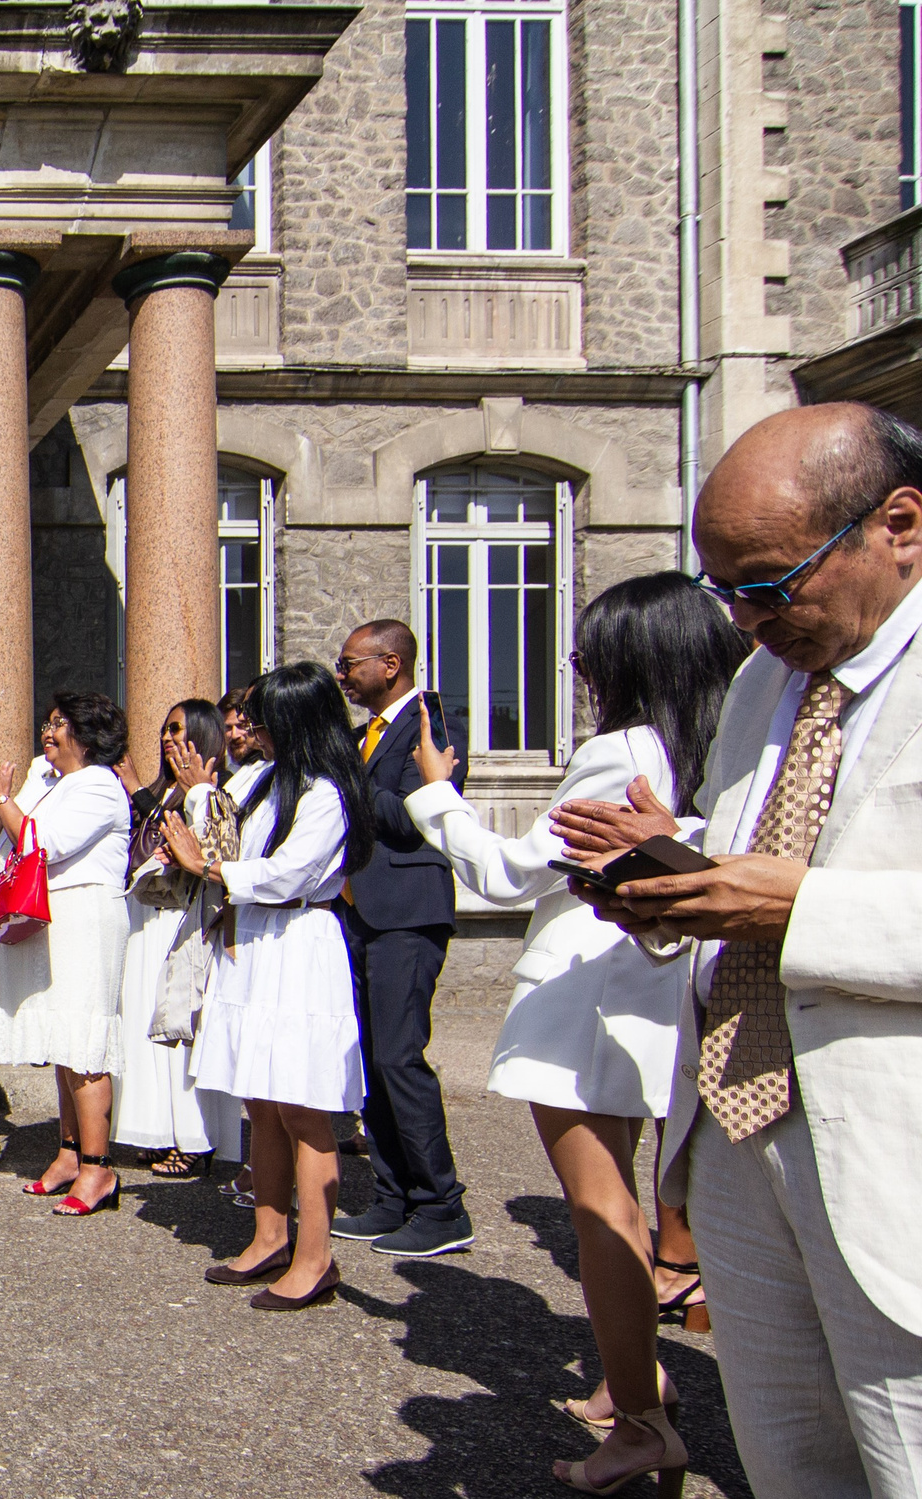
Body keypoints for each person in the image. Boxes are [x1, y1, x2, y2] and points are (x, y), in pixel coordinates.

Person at [563, 403, 922, 1499]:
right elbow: (753, 847)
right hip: (738, 1126)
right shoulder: (772, 676)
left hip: (885, 1150)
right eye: (723, 590)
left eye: (768, 583)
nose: (744, 621)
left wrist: (797, 910)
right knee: (794, 1464)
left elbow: (797, 890)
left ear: (898, 524)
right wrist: (671, 878)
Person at [402, 571, 748, 1490]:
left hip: (588, 990)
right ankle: (629, 1375)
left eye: (589, 651)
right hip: (666, 988)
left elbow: (515, 872)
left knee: (603, 1210)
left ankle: (641, 1420)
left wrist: (440, 797)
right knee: (641, 1201)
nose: (578, 667)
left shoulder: (622, 747)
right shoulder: (725, 738)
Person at [162, 662, 375, 1313]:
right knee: (264, 1105)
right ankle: (269, 1235)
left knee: (305, 1110)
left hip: (298, 944)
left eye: (265, 716)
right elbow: (236, 847)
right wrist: (200, 826)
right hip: (253, 943)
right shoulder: (268, 782)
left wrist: (212, 865)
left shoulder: (328, 793)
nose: (252, 728)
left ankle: (316, 1256)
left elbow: (287, 872)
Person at [330, 619, 474, 1259]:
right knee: (372, 1061)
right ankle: (393, 1196)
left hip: (407, 912)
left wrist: (351, 782)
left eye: (350, 663)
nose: (342, 675)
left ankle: (442, 1206)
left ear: (390, 664)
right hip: (362, 911)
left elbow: (421, 814)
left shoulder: (432, 721)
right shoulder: (363, 738)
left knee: (399, 1055)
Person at [0, 692, 134, 1212]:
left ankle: (98, 1168)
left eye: (61, 723)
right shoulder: (53, 783)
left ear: (88, 737)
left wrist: (2, 798)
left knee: (84, 1043)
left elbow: (44, 843)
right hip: (53, 918)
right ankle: (68, 1153)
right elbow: (9, 845)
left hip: (87, 915)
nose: (49, 730)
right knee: (63, 1041)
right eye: (47, 721)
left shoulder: (101, 785)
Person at [111, 699, 229, 1177]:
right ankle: (158, 1130)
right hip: (146, 917)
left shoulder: (211, 790)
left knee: (180, 1028)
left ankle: (195, 1138)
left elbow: (210, 850)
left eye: (177, 730)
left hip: (182, 918)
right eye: (163, 729)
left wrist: (140, 789)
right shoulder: (165, 791)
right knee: (146, 1027)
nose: (167, 738)